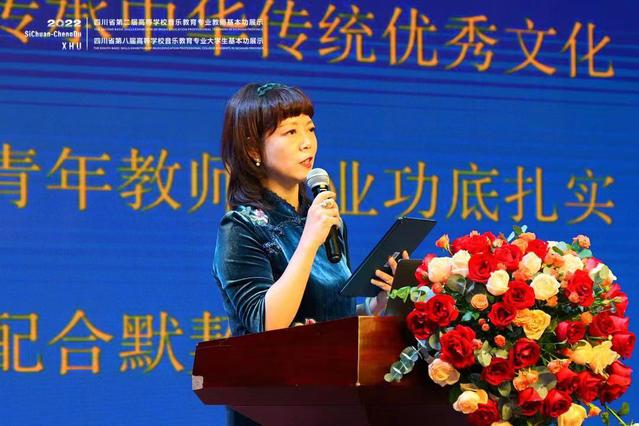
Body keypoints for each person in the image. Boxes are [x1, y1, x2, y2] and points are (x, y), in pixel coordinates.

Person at [212, 82, 407, 425]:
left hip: (333, 400)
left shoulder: (324, 219)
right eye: (290, 132)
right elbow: (265, 323)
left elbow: (331, 315)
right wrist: (308, 242)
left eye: (310, 129)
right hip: (273, 407)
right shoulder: (241, 227)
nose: (307, 142)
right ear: (253, 148)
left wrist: (375, 306)